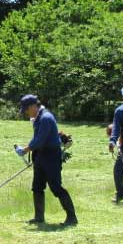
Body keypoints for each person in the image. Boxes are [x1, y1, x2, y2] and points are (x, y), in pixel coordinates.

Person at [15, 94, 77, 226]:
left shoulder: (46, 118)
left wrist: (25, 150)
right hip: (41, 155)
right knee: (37, 187)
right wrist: (29, 149)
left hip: (51, 156)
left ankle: (72, 218)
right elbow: (36, 139)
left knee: (56, 187)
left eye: (26, 109)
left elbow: (40, 139)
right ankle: (39, 217)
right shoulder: (37, 118)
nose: (25, 113)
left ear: (33, 106)